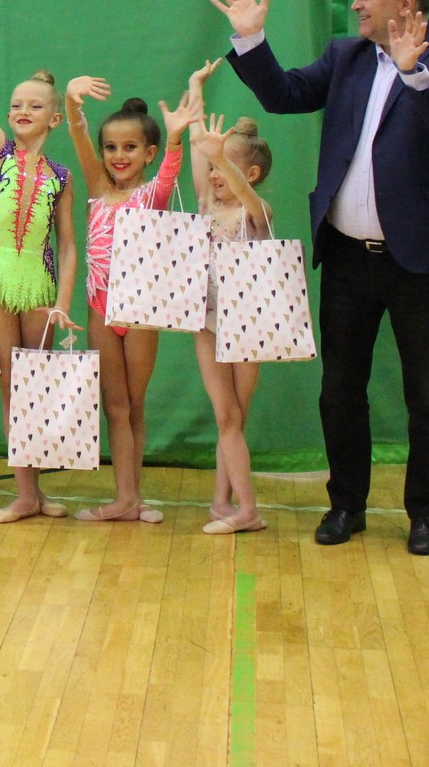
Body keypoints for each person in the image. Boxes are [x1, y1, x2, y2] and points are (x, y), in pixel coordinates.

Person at [217, 0, 429, 556]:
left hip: (422, 260)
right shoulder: (346, 56)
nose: (357, 4)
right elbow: (284, 94)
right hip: (346, 258)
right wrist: (252, 40)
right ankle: (346, 506)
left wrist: (415, 74)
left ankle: (425, 514)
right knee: (340, 389)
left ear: (405, 3)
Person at [0, 0, 79, 524]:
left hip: (39, 284)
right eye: (15, 104)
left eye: (34, 106)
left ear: (54, 117)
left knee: (38, 384)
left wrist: (62, 302)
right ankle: (25, 493)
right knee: (11, 384)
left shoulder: (61, 175)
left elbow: (68, 245)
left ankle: (38, 491)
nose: (22, 111)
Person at [62, 78, 201, 523]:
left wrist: (176, 138)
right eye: (111, 148)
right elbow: (79, 139)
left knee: (133, 405)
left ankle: (132, 498)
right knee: (116, 406)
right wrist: (71, 103)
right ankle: (125, 498)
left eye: (129, 148)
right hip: (101, 309)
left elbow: (170, 175)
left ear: (148, 153)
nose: (118, 156)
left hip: (140, 312)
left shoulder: (151, 196)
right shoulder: (98, 190)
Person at [188, 91, 276, 536]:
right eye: (211, 166)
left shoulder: (256, 212)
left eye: (223, 166)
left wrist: (221, 157)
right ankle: (224, 500)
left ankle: (247, 510)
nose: (214, 172)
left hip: (247, 324)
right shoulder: (207, 205)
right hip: (207, 320)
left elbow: (242, 191)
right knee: (226, 416)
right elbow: (196, 148)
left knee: (236, 414)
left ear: (251, 174)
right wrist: (195, 91)